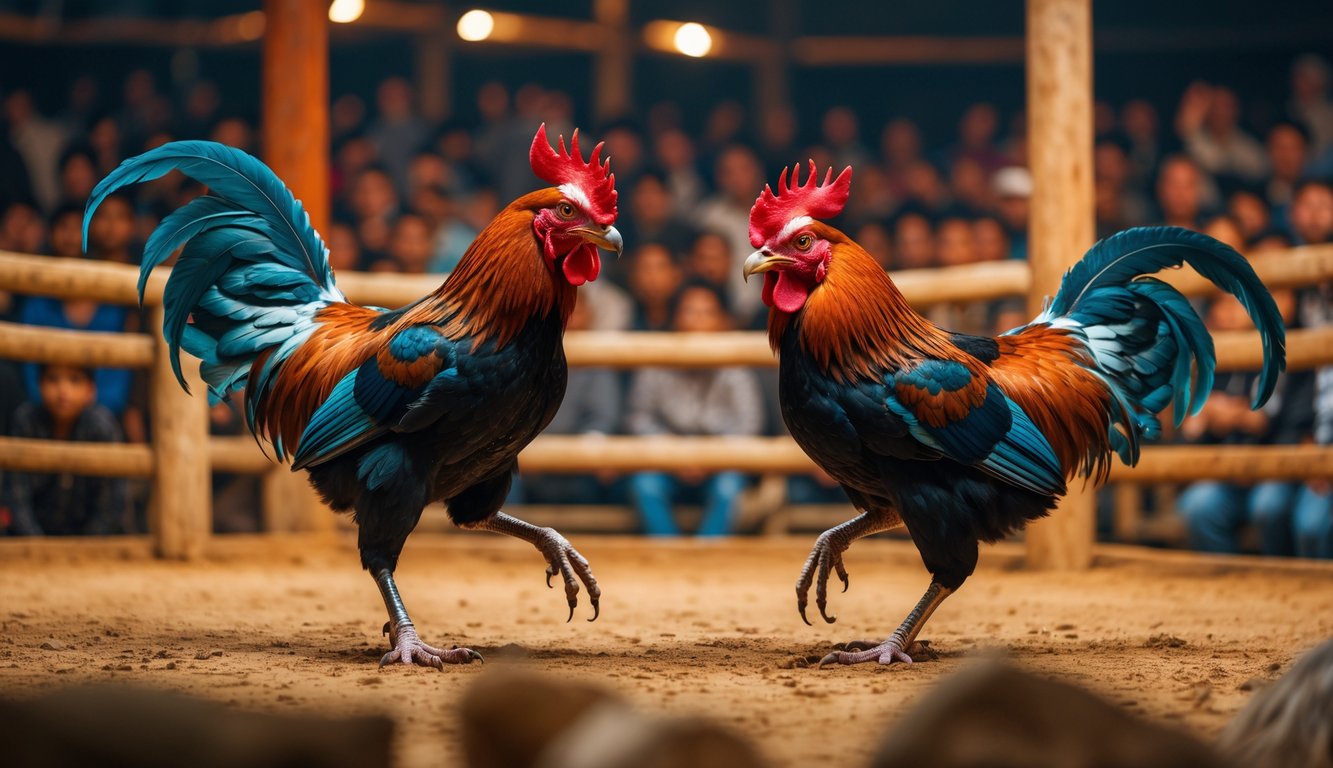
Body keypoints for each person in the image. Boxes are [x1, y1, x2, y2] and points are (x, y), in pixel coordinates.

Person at [626, 281, 763, 536]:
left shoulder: (735, 366)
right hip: (665, 461)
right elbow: (639, 417)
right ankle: (670, 556)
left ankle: (705, 557)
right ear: (675, 318)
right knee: (645, 486)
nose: (697, 320)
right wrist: (674, 455)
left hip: (721, 464)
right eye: (689, 311)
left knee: (728, 489)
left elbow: (748, 424)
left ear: (721, 321)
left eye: (707, 312)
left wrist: (709, 458)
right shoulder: (655, 362)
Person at [3, 364, 131, 536]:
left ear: (90, 390)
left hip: (93, 545)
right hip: (32, 542)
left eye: (75, 380)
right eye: (53, 379)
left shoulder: (102, 428)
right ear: (39, 384)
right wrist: (38, 546)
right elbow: (17, 500)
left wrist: (83, 549)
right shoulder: (26, 422)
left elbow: (110, 506)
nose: (63, 390)